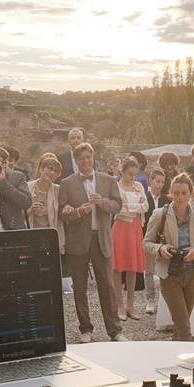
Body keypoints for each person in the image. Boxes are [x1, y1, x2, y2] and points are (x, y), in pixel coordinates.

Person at [58, 142, 126, 343]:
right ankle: (85, 329)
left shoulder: (108, 180)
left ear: (93, 158)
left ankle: (115, 331)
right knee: (80, 287)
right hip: (77, 241)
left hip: (101, 238)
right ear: (76, 161)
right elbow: (62, 212)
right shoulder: (67, 183)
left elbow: (117, 206)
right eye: (81, 158)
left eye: (88, 157)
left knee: (107, 286)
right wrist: (78, 211)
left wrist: (102, 203)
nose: (86, 161)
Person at [145, 173, 194, 341]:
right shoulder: (160, 214)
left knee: (180, 326)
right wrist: (161, 248)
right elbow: (146, 243)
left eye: (183, 193)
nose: (179, 197)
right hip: (170, 274)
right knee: (185, 327)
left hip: (193, 275)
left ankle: (174, 362)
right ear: (171, 193)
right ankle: (190, 365)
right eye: (176, 192)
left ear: (191, 193)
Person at [110, 157, 148, 320]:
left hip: (135, 230)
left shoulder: (138, 186)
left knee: (133, 267)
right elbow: (119, 210)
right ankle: (119, 305)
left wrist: (131, 208)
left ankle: (131, 305)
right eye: (130, 174)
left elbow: (146, 206)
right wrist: (136, 208)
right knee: (118, 267)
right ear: (122, 172)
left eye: (135, 174)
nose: (133, 177)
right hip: (120, 229)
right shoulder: (116, 187)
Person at [143, 168, 168, 315]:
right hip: (149, 237)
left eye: (162, 182)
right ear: (151, 180)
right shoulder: (144, 197)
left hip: (164, 238)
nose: (159, 184)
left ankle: (164, 300)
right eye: (157, 181)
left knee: (164, 269)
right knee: (149, 270)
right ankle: (150, 300)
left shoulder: (166, 199)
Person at [27, 155, 65, 252]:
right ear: (41, 169)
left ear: (58, 175)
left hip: (50, 237)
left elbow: (63, 210)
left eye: (56, 171)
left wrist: (67, 207)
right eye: (49, 168)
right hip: (30, 235)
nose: (52, 172)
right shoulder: (27, 187)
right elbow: (18, 213)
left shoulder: (59, 190)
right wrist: (31, 210)